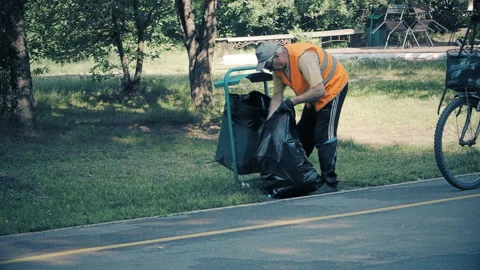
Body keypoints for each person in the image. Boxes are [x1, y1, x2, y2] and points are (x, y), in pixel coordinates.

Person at [255, 41, 349, 192]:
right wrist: (269, 123)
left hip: (332, 88)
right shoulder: (279, 69)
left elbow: (319, 91)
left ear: (278, 56)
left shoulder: (303, 58)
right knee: (302, 134)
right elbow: (277, 96)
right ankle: (295, 175)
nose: (269, 69)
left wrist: (292, 102)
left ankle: (330, 182)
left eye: (269, 65)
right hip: (312, 94)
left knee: (324, 137)